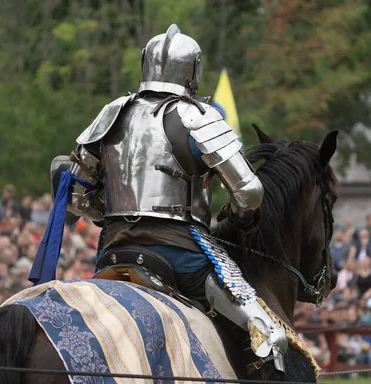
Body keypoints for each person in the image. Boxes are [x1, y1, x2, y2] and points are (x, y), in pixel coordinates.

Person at [43, 24, 287, 371]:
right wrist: (240, 216)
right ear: (193, 71)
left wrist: (105, 210)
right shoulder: (195, 116)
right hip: (182, 255)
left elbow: (74, 194)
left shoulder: (111, 113)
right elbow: (249, 191)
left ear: (145, 65)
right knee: (268, 336)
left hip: (114, 250)